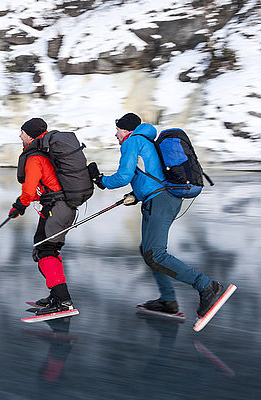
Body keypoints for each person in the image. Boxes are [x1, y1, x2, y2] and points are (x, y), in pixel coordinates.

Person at [87, 113, 224, 319]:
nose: (115, 134)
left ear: (127, 130)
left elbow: (124, 175)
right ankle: (168, 300)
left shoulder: (132, 141)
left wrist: (100, 180)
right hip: (157, 199)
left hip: (160, 201)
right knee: (147, 250)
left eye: (117, 129)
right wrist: (137, 194)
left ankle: (206, 286)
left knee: (155, 253)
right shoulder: (146, 141)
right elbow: (149, 174)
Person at [9, 117, 77, 315]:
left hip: (55, 207)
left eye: (22, 132)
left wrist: (19, 206)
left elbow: (29, 192)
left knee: (44, 250)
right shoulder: (45, 155)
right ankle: (57, 296)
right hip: (65, 207)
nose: (19, 135)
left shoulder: (34, 158)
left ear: (30, 135)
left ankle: (63, 300)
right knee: (49, 249)